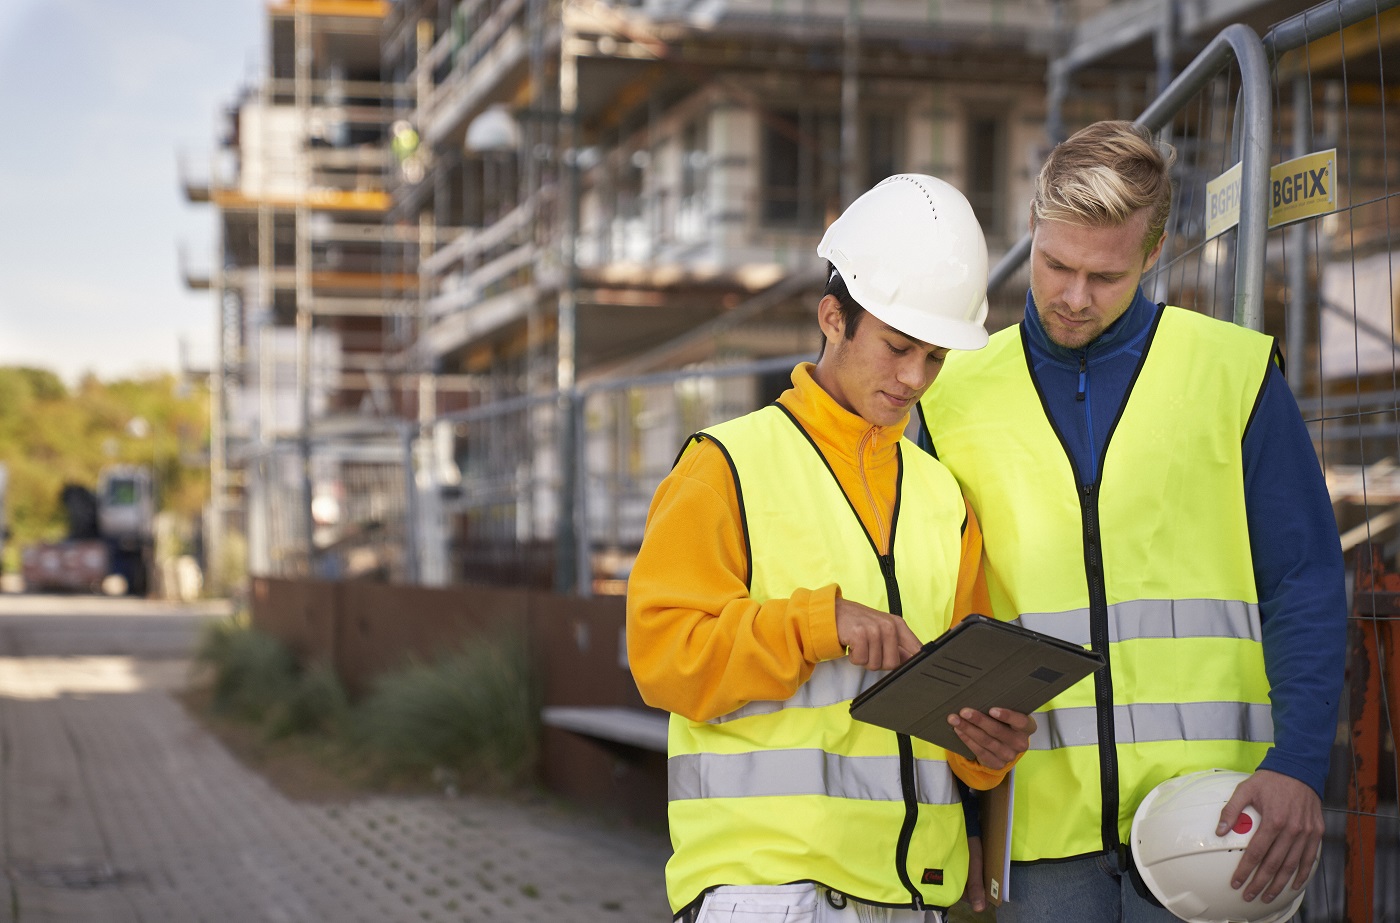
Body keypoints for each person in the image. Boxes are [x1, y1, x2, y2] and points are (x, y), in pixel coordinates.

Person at [917, 120, 1347, 922]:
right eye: (1055, 265)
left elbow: (1305, 579)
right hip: (1039, 828)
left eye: (1104, 275)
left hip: (1218, 820)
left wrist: (1297, 762)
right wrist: (962, 812)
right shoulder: (952, 396)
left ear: (1152, 253)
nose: (1073, 296)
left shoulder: (1234, 372)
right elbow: (939, 611)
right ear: (1033, 232)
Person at [627, 174, 1037, 923]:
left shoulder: (942, 498)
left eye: (936, 358)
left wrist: (986, 747)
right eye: (898, 347)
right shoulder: (724, 466)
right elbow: (662, 656)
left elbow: (959, 709)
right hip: (765, 890)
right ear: (833, 318)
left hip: (913, 896)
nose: (914, 378)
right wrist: (817, 624)